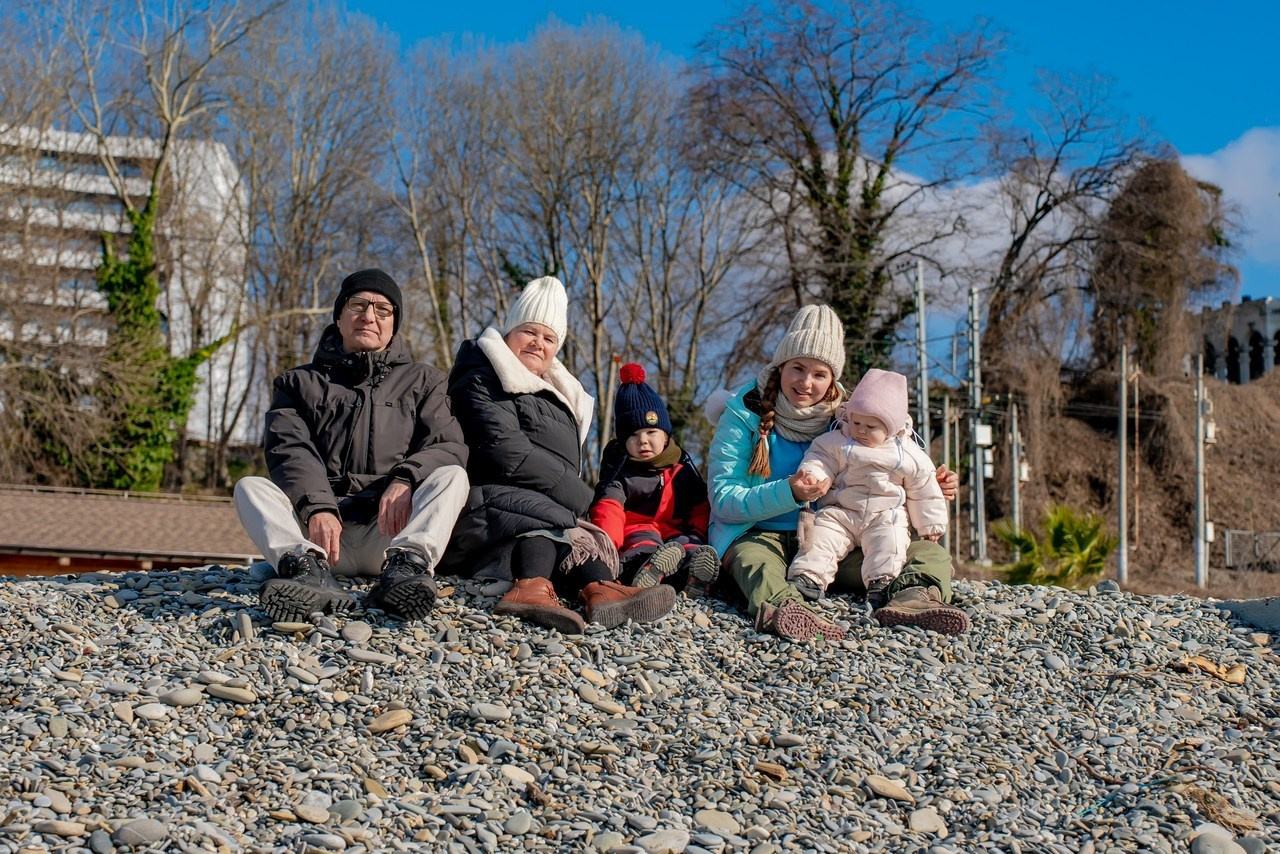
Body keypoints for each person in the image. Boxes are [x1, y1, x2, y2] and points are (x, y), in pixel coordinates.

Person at [707, 304, 969, 642]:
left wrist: (927, 487)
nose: (806, 382)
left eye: (819, 374)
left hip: (835, 537)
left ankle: (913, 599)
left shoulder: (854, 418)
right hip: (759, 535)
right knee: (754, 563)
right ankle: (786, 610)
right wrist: (789, 492)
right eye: (797, 368)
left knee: (927, 553)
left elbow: (882, 478)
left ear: (833, 379)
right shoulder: (742, 414)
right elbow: (724, 499)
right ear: (780, 366)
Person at [234, 268, 469, 623]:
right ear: (340, 316)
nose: (369, 316)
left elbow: (447, 444)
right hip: (322, 539)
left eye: (383, 310)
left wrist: (406, 478)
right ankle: (306, 572)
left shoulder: (426, 381)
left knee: (453, 476)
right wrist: (318, 508)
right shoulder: (296, 383)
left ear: (394, 324)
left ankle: (407, 568)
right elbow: (290, 450)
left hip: (388, 534)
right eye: (358, 305)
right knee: (249, 487)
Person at [443, 276, 676, 634]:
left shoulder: (559, 394)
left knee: (578, 534)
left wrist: (571, 499)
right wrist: (578, 494)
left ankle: (601, 590)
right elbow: (503, 449)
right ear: (509, 332)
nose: (538, 343)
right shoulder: (482, 375)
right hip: (483, 500)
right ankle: (530, 588)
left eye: (549, 338)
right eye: (529, 331)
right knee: (548, 519)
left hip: (534, 504)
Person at [786, 368, 947, 610]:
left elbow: (924, 489)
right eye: (856, 422)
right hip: (841, 510)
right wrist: (813, 476)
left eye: (871, 426)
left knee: (891, 542)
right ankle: (808, 577)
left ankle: (881, 583)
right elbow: (820, 458)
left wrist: (931, 525)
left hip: (884, 514)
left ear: (891, 427)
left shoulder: (908, 453)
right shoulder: (839, 440)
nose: (861, 430)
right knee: (821, 536)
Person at [589, 363, 718, 591]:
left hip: (675, 532)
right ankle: (644, 571)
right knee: (643, 546)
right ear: (623, 442)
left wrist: (697, 532)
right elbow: (609, 509)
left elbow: (700, 506)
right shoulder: (621, 472)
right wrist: (608, 546)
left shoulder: (681, 469)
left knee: (688, 547)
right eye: (633, 435)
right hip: (637, 528)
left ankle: (695, 578)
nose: (643, 441)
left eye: (651, 432)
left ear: (665, 436)